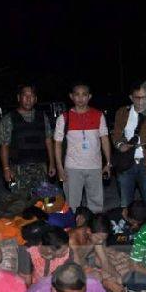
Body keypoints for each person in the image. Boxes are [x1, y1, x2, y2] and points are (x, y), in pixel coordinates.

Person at [54, 82, 112, 213]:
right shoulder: (63, 118)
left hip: (95, 167)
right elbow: (57, 144)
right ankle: (74, 225)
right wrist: (60, 167)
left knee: (96, 204)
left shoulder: (98, 115)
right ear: (71, 96)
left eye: (84, 94)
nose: (80, 98)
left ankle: (95, 225)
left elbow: (105, 139)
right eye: (77, 94)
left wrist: (108, 163)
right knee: (72, 204)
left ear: (89, 96)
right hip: (72, 168)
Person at [111, 82, 146, 209]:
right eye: (138, 97)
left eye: (144, 97)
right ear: (131, 98)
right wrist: (120, 145)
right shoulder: (122, 112)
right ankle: (127, 221)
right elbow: (116, 134)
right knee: (125, 203)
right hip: (126, 162)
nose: (141, 101)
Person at [0, 84, 56, 195]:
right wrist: (6, 169)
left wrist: (52, 163)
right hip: (17, 169)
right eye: (25, 95)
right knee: (19, 199)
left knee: (42, 200)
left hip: (41, 168)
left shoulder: (43, 117)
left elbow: (48, 141)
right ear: (19, 98)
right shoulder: (8, 118)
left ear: (36, 99)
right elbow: (4, 145)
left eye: (32, 96)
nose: (28, 99)